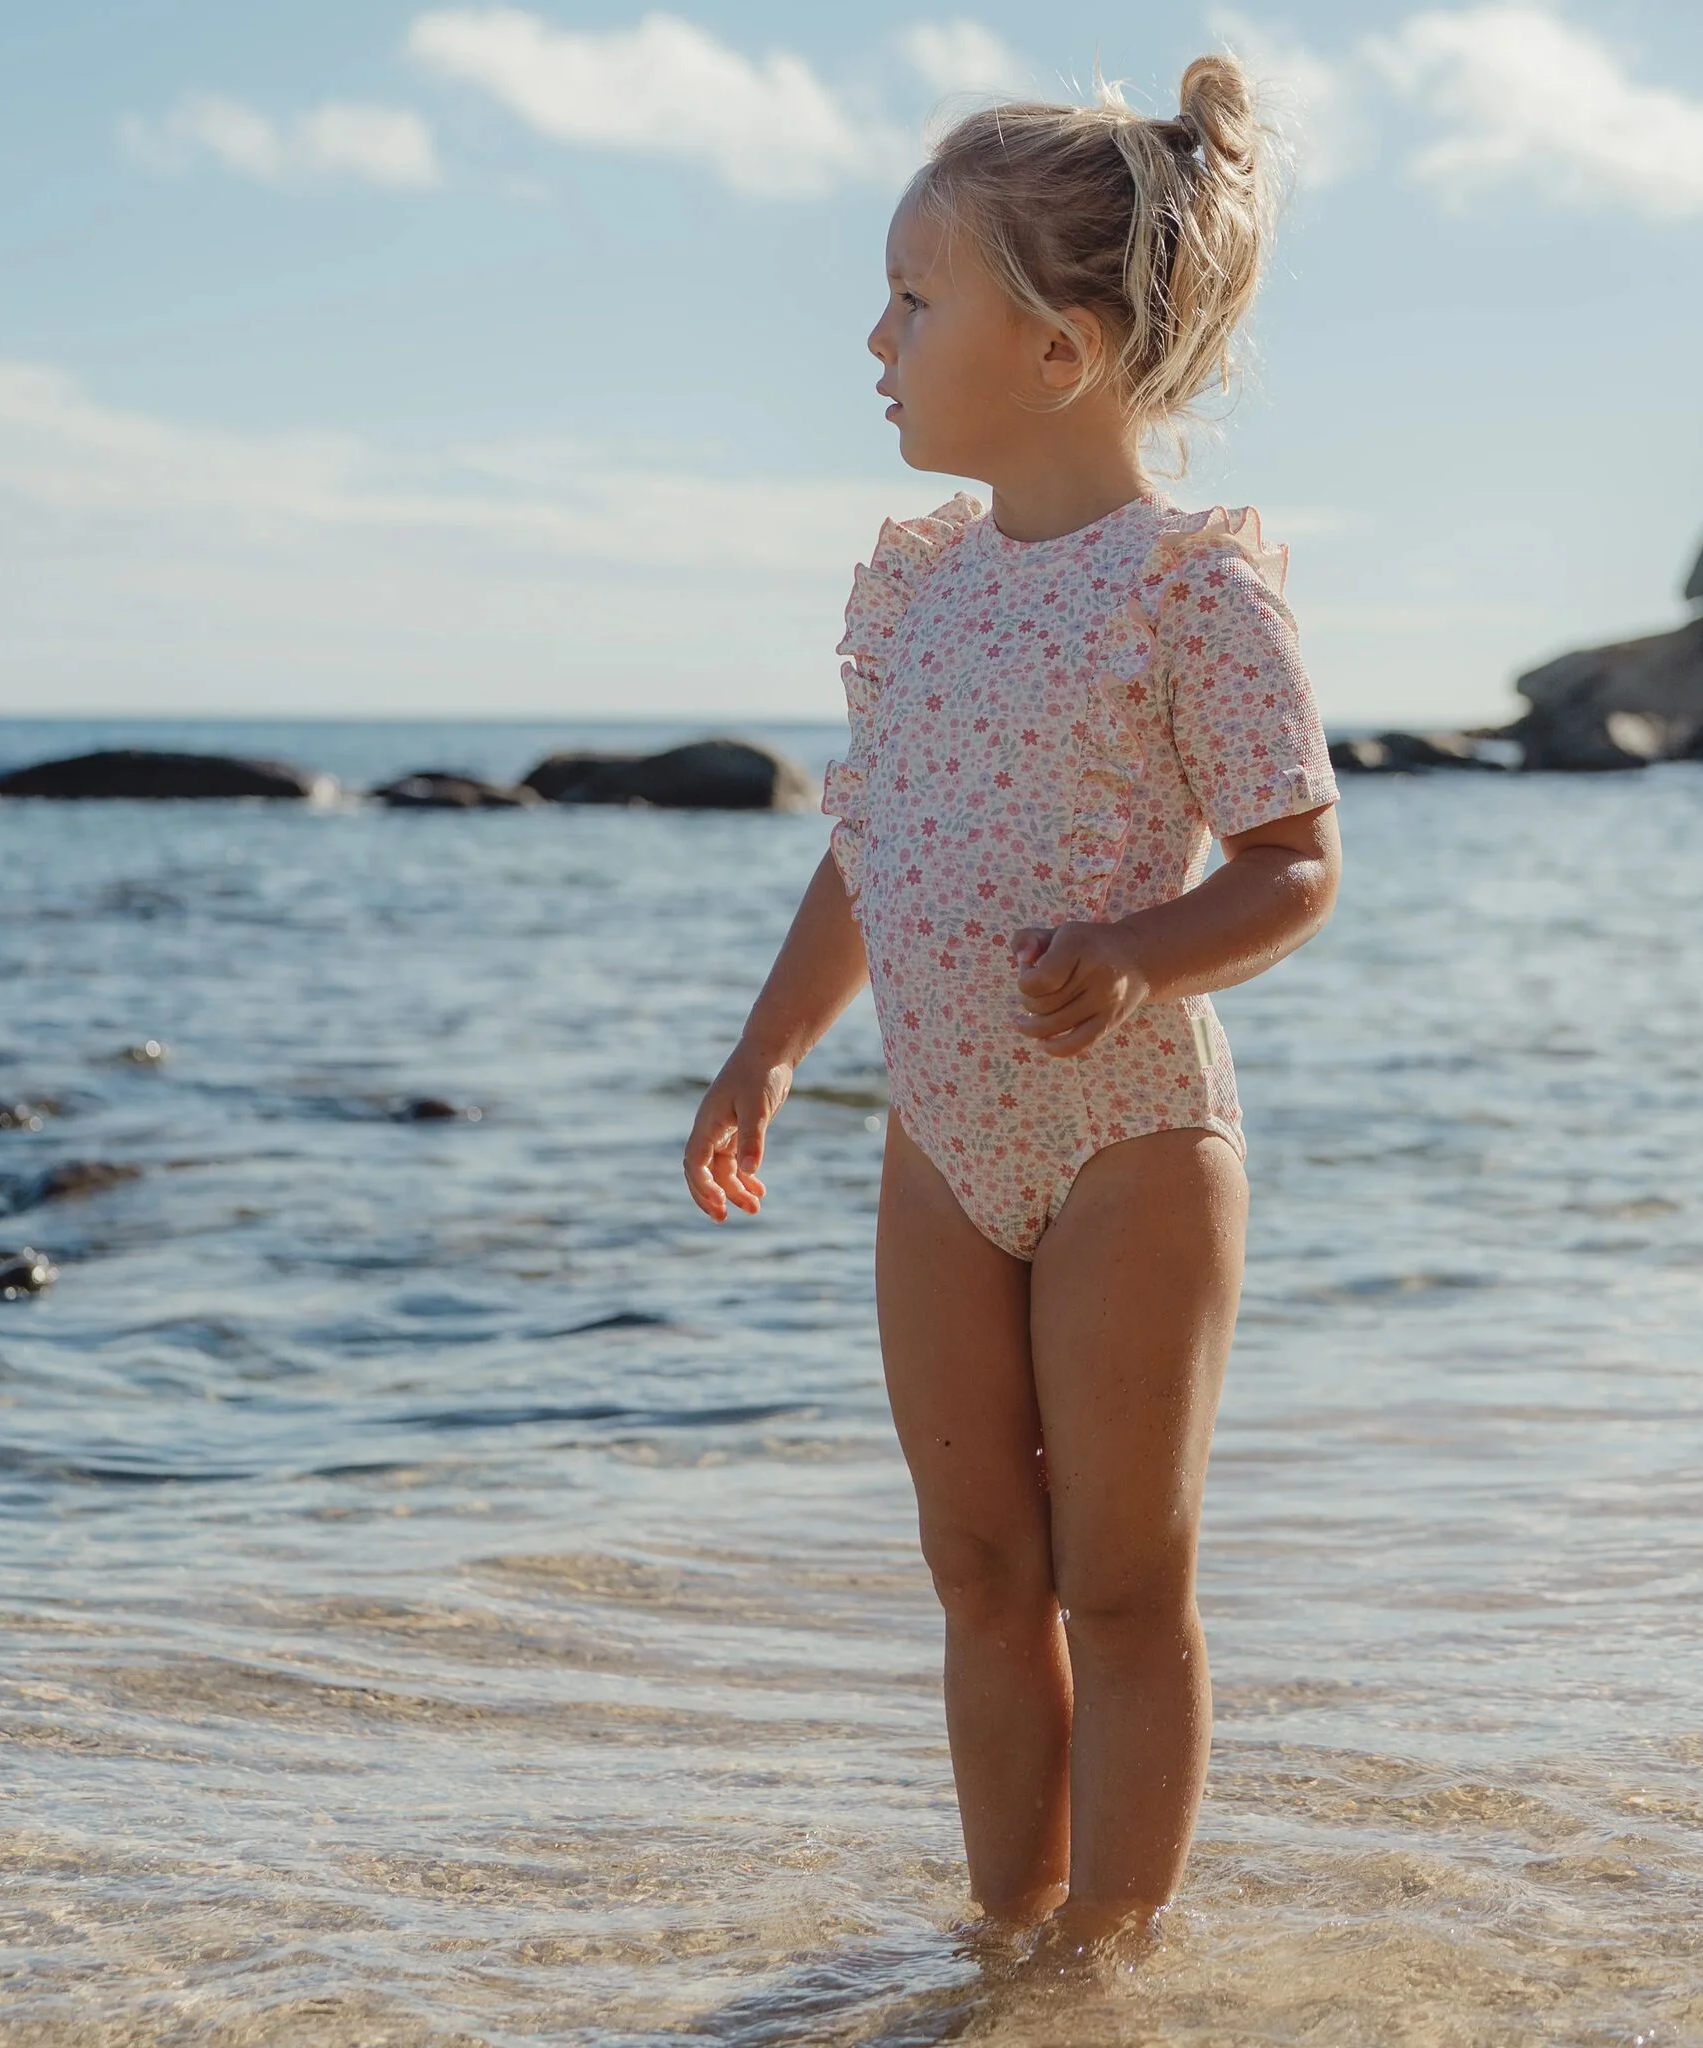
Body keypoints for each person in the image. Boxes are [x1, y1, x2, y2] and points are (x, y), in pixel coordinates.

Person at [683, 53, 1341, 1961]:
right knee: (978, 1567)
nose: (872, 336)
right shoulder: (919, 593)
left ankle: (1111, 1959)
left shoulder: (1189, 595)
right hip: (940, 1135)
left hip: (1135, 1132)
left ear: (1055, 352)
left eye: (912, 298)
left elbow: (1295, 866)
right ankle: (1005, 1938)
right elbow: (866, 850)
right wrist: (769, 1048)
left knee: (1120, 1579)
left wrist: (1142, 952)